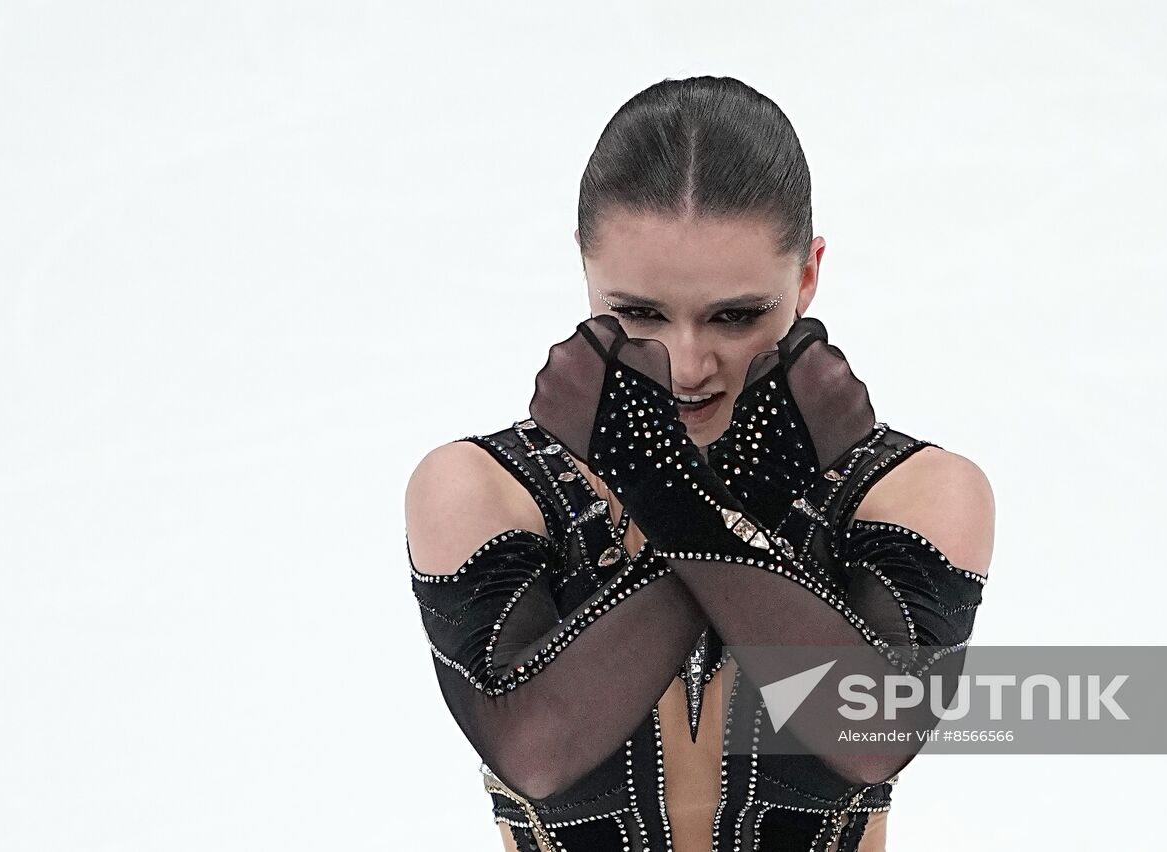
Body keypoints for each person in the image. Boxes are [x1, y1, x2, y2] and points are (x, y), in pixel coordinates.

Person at [405, 75, 995, 852]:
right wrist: (740, 486)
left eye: (736, 315)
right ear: (584, 270)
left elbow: (872, 733)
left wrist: (674, 487)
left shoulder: (916, 494)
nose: (687, 365)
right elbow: (536, 747)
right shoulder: (480, 491)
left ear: (808, 276)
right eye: (639, 312)